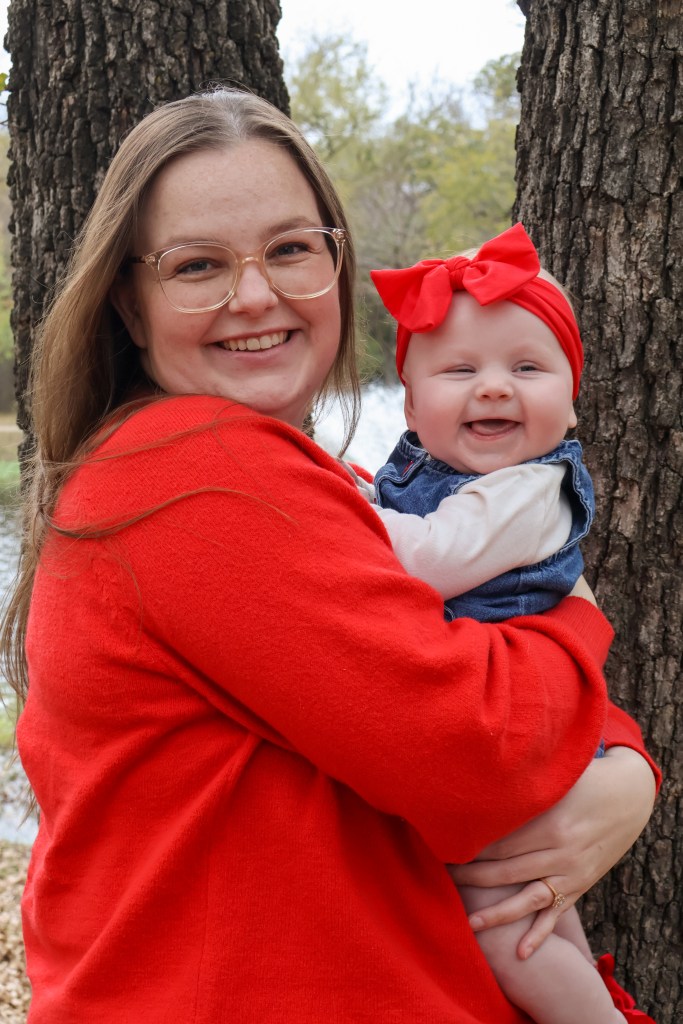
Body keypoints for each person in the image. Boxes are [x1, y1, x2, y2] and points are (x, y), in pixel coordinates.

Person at [2, 88, 659, 1024]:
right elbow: (478, 756)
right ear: (130, 307)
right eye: (197, 265)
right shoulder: (199, 478)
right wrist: (584, 624)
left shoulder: (313, 480)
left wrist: (625, 768)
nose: (256, 295)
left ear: (336, 261)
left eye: (290, 249)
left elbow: (435, 692)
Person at [369, 224, 654, 1024]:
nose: (493, 388)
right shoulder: (425, 473)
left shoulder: (530, 493)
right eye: (459, 369)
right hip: (509, 724)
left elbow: (429, 558)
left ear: (569, 403)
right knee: (531, 918)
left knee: (504, 932)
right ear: (411, 404)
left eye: (526, 368)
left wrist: (327, 509)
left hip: (529, 736)